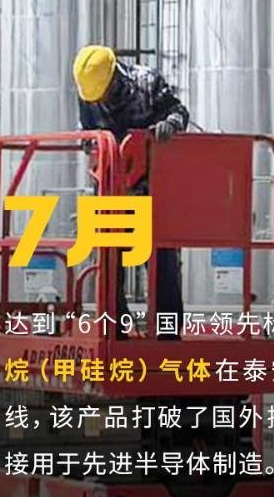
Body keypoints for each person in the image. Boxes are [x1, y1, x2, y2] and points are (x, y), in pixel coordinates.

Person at [72, 45, 189, 330]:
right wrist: (92, 145)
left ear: (114, 78)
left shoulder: (147, 82)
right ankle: (115, 331)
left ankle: (167, 335)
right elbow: (86, 134)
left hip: (154, 193)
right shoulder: (89, 95)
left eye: (104, 95)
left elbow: (178, 111)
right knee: (109, 266)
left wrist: (171, 124)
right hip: (112, 193)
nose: (100, 101)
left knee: (162, 265)